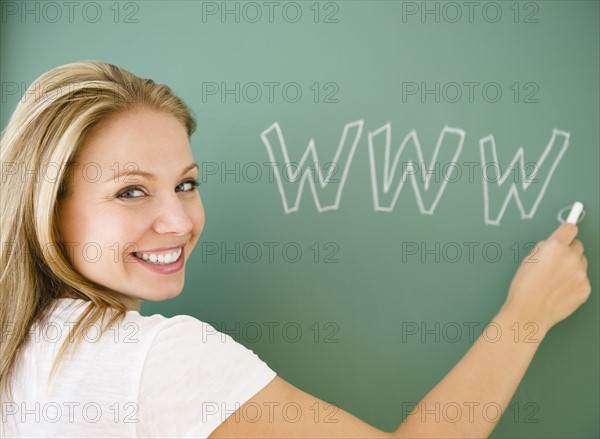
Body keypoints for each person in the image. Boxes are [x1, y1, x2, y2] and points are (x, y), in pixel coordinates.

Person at [0, 61, 591, 438]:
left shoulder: (22, 347)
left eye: (186, 183)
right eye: (131, 191)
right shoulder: (158, 357)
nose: (179, 220)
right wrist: (526, 316)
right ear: (47, 212)